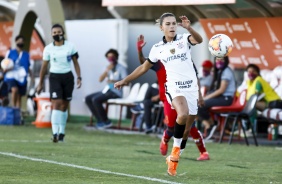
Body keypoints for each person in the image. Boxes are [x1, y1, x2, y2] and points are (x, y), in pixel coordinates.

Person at [115, 13, 203, 176]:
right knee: (182, 114)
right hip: (174, 88)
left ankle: (173, 158)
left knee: (186, 130)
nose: (172, 26)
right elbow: (143, 68)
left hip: (191, 89)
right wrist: (125, 80)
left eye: (174, 24)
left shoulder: (184, 39)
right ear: (161, 27)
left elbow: (200, 40)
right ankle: (175, 155)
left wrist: (189, 28)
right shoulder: (157, 48)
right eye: (168, 24)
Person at [136, 34, 209, 161]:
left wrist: (200, 96)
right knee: (171, 127)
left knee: (191, 126)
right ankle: (165, 139)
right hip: (167, 99)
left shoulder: (185, 61)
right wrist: (139, 50)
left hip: (185, 95)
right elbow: (143, 63)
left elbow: (195, 78)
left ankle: (203, 152)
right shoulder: (159, 63)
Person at [36, 24, 82, 143]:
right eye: (54, 33)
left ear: (63, 33)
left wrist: (79, 77)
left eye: (58, 32)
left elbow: (76, 63)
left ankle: (61, 133)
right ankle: (55, 132)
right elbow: (44, 67)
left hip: (67, 77)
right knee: (57, 103)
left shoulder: (70, 46)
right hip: (54, 76)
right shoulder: (48, 49)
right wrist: (40, 83)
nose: (57, 34)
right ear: (51, 35)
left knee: (64, 105)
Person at [85, 49, 127, 129]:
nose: (110, 59)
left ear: (116, 57)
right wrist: (107, 70)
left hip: (115, 92)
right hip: (107, 90)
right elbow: (100, 80)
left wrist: (114, 81)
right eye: (108, 57)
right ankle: (100, 121)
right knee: (88, 98)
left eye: (112, 57)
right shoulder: (107, 68)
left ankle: (106, 121)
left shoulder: (121, 68)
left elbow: (126, 82)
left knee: (96, 99)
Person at [198, 56, 236, 138]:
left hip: (226, 99)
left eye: (221, 59)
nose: (219, 61)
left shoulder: (226, 72)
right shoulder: (219, 71)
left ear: (226, 61)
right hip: (220, 98)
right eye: (217, 59)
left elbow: (221, 90)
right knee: (195, 106)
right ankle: (211, 125)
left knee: (200, 105)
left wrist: (206, 98)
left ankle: (211, 126)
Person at [4, 35, 32, 108]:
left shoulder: (26, 54)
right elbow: (5, 63)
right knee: (14, 89)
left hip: (22, 76)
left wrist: (32, 76)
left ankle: (18, 113)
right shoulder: (10, 52)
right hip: (11, 75)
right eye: (19, 40)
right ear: (16, 41)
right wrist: (4, 70)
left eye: (22, 41)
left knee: (19, 95)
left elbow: (28, 66)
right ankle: (13, 107)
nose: (20, 42)